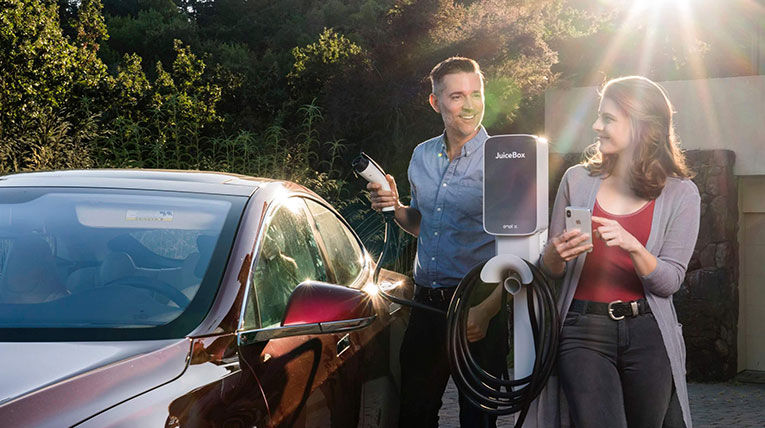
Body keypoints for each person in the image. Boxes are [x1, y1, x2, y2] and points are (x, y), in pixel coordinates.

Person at [538, 76, 699, 427]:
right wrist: (555, 252)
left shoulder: (681, 194)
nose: (597, 126)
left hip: (649, 332)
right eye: (599, 116)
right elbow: (550, 269)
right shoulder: (577, 180)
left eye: (608, 118)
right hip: (582, 329)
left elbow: (669, 281)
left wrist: (634, 247)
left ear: (642, 126)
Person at [368, 57, 506, 428]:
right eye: (457, 96)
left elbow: (518, 252)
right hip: (427, 304)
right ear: (436, 102)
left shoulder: (503, 161)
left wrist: (489, 310)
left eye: (476, 94)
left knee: (479, 421)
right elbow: (424, 224)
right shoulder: (421, 156)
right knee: (414, 414)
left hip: (477, 306)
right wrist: (395, 208)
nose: (470, 105)